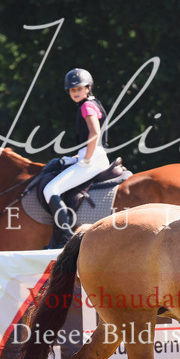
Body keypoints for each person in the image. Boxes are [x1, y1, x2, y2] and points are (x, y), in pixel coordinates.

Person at [42, 68, 109, 247]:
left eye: (79, 89)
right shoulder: (92, 103)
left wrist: (86, 159)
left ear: (88, 88)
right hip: (93, 155)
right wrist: (76, 157)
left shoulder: (87, 106)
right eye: (72, 90)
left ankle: (66, 237)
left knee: (51, 189)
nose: (75, 92)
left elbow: (94, 133)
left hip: (93, 159)